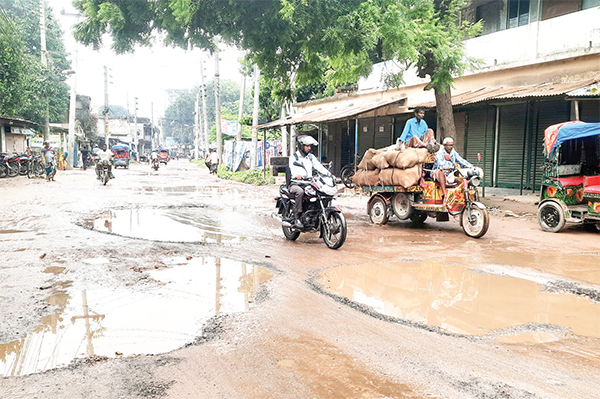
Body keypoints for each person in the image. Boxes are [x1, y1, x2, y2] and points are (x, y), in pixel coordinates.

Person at [288, 135, 333, 229]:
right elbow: (292, 168)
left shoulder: (311, 157)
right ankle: (298, 217)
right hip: (296, 183)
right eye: (307, 146)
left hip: (308, 183)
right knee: (300, 192)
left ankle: (317, 214)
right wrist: (296, 175)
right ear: (301, 146)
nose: (309, 148)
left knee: (321, 192)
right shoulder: (294, 157)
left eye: (310, 146)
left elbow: (319, 166)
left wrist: (329, 174)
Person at [433, 137, 473, 202]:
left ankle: (463, 197)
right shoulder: (439, 153)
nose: (451, 147)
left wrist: (472, 167)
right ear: (444, 145)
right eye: (449, 145)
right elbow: (440, 165)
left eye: (452, 145)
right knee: (441, 172)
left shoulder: (453, 153)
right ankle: (444, 193)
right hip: (437, 173)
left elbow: (461, 161)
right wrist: (445, 167)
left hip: (450, 173)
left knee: (462, 181)